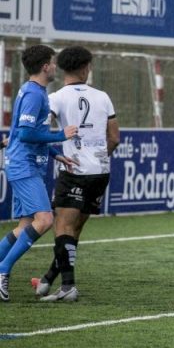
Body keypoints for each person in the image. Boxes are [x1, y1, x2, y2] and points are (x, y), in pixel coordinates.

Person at [29, 46, 120, 302]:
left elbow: (41, 132)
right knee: (74, 231)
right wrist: (100, 157)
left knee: (63, 226)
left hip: (74, 169)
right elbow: (114, 137)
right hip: (100, 172)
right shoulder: (103, 97)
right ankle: (48, 279)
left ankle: (68, 287)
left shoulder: (55, 98)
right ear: (83, 68)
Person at [0, 44, 78, 302]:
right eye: (53, 62)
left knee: (24, 226)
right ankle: (2, 271)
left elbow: (25, 134)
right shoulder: (35, 95)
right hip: (25, 166)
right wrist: (60, 135)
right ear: (45, 66)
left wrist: (56, 153)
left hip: (25, 163)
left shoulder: (33, 91)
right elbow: (25, 133)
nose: (55, 66)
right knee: (44, 220)